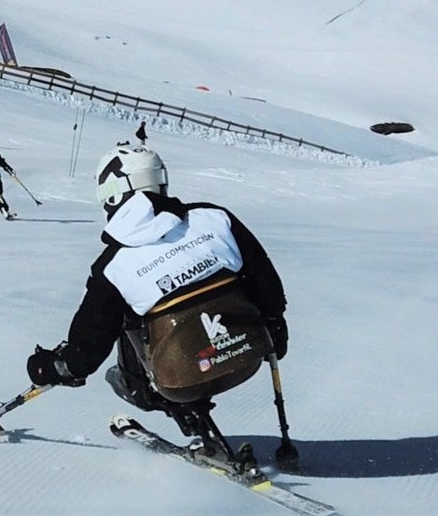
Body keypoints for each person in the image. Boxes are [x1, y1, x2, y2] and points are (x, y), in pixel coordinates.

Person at [26, 145, 288, 443]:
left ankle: (173, 402)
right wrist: (275, 324)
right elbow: (263, 278)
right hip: (245, 357)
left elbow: (90, 343)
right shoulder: (215, 218)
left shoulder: (113, 266)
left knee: (126, 321)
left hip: (179, 381)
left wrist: (59, 366)